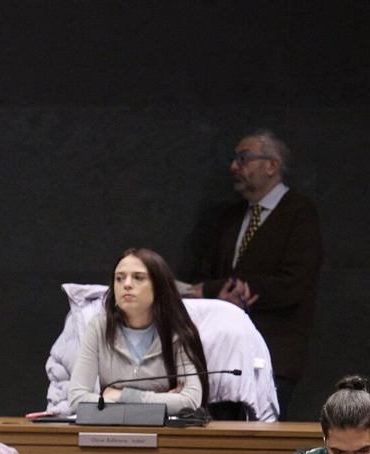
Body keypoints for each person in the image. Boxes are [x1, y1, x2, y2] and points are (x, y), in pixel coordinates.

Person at [186, 130, 322, 412]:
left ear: (271, 165)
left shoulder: (299, 213)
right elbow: (207, 275)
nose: (234, 167)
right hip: (224, 355)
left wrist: (242, 291)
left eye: (244, 158)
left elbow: (294, 282)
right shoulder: (231, 218)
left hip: (274, 354)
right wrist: (216, 292)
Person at [67, 248, 206, 413]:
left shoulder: (179, 331)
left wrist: (120, 396)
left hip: (166, 433)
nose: (126, 284)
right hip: (111, 433)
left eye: (138, 278)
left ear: (159, 286)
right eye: (119, 278)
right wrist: (163, 401)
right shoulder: (99, 327)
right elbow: (77, 400)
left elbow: (190, 401)